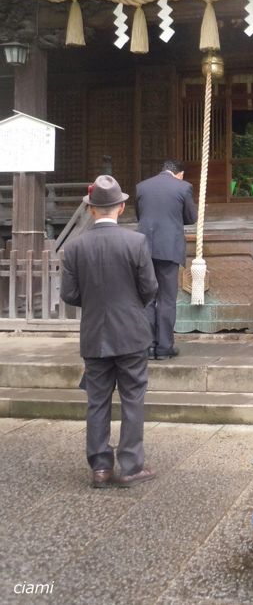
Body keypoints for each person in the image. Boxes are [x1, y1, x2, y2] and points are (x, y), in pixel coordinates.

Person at [60, 175, 158, 489]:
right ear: (121, 207)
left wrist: (93, 302)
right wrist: (131, 306)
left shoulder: (74, 247)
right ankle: (130, 466)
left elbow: (69, 295)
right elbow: (150, 288)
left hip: (94, 334)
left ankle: (100, 467)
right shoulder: (136, 242)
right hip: (131, 333)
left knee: (97, 401)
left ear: (91, 210)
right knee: (132, 399)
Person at [135, 159, 198, 360]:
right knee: (167, 300)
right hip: (169, 248)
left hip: (144, 247)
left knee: (147, 298)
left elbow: (140, 215)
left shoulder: (142, 187)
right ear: (179, 173)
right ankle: (164, 347)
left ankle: (147, 347)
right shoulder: (183, 187)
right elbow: (191, 217)